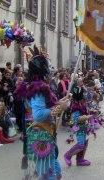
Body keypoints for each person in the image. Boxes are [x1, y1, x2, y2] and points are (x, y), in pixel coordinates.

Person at [24, 46, 69, 180]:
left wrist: (61, 102)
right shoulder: (38, 88)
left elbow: (47, 106)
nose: (51, 71)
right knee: (47, 174)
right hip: (41, 134)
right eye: (48, 67)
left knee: (54, 170)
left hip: (46, 132)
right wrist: (57, 108)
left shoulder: (40, 86)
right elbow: (38, 114)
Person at [64, 78, 92, 167]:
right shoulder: (75, 105)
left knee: (85, 142)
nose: (84, 96)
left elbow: (85, 111)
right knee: (80, 144)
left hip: (84, 125)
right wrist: (87, 117)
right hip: (79, 126)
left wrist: (91, 112)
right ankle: (67, 155)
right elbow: (75, 119)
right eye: (82, 94)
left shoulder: (81, 103)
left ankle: (79, 160)